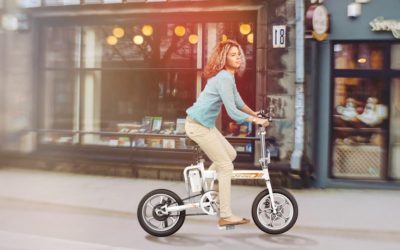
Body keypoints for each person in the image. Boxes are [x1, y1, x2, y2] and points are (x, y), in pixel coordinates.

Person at [185, 39, 270, 227]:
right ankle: (225, 215)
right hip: (197, 126)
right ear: (224, 59)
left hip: (205, 125)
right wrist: (256, 121)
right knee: (226, 167)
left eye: (238, 54)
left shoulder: (228, 78)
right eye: (233, 55)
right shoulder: (223, 77)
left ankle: (205, 189)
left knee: (230, 154)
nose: (238, 57)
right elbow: (232, 112)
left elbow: (238, 103)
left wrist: (254, 113)